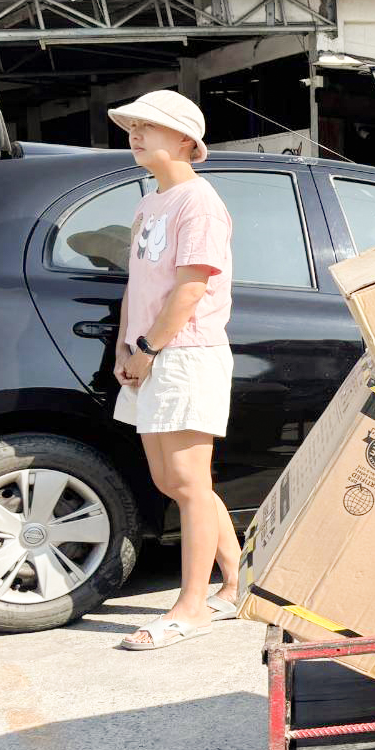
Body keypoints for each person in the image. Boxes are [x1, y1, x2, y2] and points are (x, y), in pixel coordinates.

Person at [107, 90, 241, 651]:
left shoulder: (199, 202)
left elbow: (191, 287)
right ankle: (236, 585)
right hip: (152, 353)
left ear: (186, 140)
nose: (136, 134)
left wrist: (147, 348)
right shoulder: (149, 203)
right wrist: (126, 347)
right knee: (175, 482)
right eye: (133, 126)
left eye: (150, 126)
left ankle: (192, 608)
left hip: (185, 354)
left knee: (187, 484)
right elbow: (137, 285)